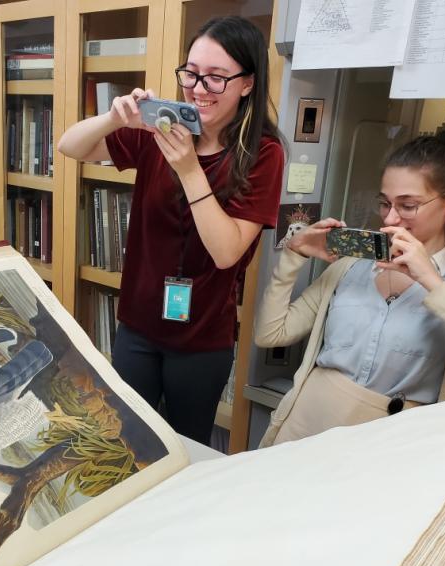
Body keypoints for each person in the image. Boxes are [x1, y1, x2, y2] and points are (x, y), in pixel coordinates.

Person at [57, 16, 284, 444]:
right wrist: (114, 118)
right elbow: (70, 146)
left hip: (201, 340)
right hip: (138, 327)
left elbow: (226, 252)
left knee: (186, 448)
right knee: (128, 442)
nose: (198, 88)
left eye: (216, 78)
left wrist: (188, 168)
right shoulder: (159, 127)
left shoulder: (263, 154)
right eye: (191, 73)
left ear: (247, 83)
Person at [255, 130, 445, 447]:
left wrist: (433, 283)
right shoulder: (349, 266)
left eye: (408, 205)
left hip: (389, 448)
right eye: (385, 203)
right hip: (303, 427)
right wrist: (293, 256)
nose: (391, 217)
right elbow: (270, 334)